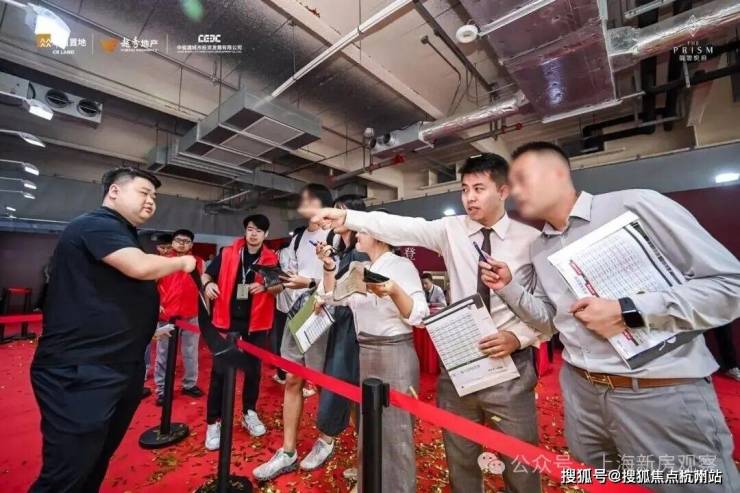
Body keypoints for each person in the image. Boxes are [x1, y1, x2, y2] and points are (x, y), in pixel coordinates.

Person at [481, 141, 740, 493]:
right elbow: (549, 322)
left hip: (657, 391)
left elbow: (730, 286)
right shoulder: (540, 248)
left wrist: (630, 311)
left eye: (524, 179)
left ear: (558, 174)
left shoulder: (634, 205)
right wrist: (508, 287)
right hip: (582, 394)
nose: (515, 192)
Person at [305, 154, 545, 493]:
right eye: (464, 189)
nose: (470, 197)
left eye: (479, 189)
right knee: (460, 458)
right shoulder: (452, 230)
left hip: (510, 365)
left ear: (503, 191)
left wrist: (517, 338)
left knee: (520, 463)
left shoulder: (531, 240)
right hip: (460, 360)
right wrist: (348, 217)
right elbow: (403, 226)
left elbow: (547, 312)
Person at [29, 167, 196, 493]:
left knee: (94, 461)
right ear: (114, 192)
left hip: (116, 364)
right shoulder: (96, 224)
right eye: (143, 192)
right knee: (66, 474)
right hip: (82, 369)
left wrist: (145, 331)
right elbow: (139, 267)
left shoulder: (123, 233)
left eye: (154, 196)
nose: (151, 201)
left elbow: (109, 297)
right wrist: (182, 262)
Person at [319, 226, 428, 492]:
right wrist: (329, 266)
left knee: (396, 432)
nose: (356, 236)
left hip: (395, 354)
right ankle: (370, 484)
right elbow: (332, 297)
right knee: (369, 428)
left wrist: (393, 290)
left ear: (379, 235)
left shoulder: (401, 266)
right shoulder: (360, 269)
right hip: (366, 353)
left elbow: (419, 315)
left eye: (363, 232)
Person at [253, 183, 334, 481]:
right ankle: (288, 450)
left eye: (309, 199)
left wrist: (309, 283)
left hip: (323, 312)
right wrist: (278, 282)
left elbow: (340, 278)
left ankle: (326, 439)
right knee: (291, 378)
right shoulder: (298, 238)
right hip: (297, 312)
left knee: (323, 381)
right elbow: (294, 276)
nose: (303, 204)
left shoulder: (336, 235)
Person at [303, 194, 370, 477]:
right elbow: (331, 290)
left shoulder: (361, 250)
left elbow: (353, 292)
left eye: (341, 211)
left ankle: (331, 442)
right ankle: (355, 454)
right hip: (338, 324)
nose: (333, 216)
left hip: (356, 329)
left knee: (348, 390)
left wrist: (327, 295)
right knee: (344, 389)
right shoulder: (338, 249)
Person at [201, 214, 280, 450]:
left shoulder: (270, 258)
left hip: (256, 324)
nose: (254, 234)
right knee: (220, 373)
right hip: (227, 321)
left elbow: (278, 288)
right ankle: (213, 421)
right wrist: (208, 284)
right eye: (250, 229)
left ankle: (249, 412)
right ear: (245, 231)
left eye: (259, 231)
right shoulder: (228, 253)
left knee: (253, 372)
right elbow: (206, 274)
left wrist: (265, 286)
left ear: (266, 235)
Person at [153, 228, 205, 406]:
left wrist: (205, 311)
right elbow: (150, 285)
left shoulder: (198, 262)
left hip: (191, 315)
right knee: (163, 354)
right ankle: (162, 389)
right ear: (173, 242)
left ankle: (189, 384)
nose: (182, 244)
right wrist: (156, 304)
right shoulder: (162, 261)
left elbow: (202, 287)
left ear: (192, 244)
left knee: (191, 352)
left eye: (187, 241)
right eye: (179, 240)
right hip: (167, 315)